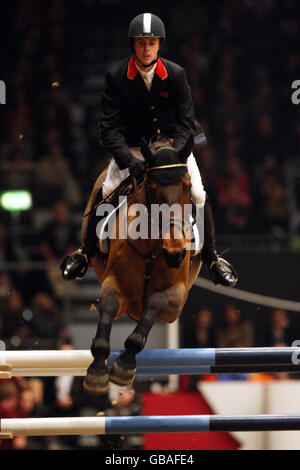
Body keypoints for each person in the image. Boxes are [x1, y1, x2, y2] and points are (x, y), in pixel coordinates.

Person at [61, 13, 237, 288]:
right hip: (133, 149)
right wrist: (128, 160)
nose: (146, 49)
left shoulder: (176, 74)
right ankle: (86, 251)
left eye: (151, 43)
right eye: (141, 43)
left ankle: (213, 257)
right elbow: (109, 127)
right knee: (106, 190)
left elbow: (186, 122)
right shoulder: (116, 76)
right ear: (133, 45)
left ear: (159, 45)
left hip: (172, 150)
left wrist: (173, 156)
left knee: (199, 193)